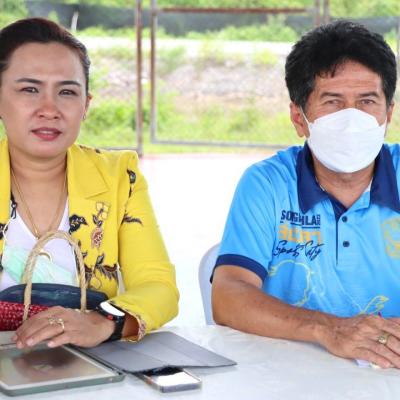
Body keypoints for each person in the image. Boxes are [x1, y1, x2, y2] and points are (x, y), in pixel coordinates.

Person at [212, 20, 400, 369]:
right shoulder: (267, 184)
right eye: (333, 102)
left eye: (367, 101)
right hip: (289, 376)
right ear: (299, 118)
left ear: (388, 113)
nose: (351, 119)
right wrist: (328, 329)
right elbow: (227, 296)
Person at [0, 18, 179, 348]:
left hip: (88, 366)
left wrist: (103, 322)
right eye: (29, 89)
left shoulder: (118, 178)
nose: (49, 109)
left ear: (86, 105)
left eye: (67, 92)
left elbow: (159, 287)